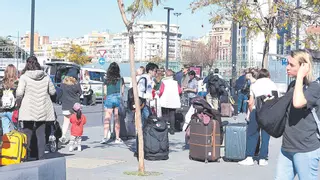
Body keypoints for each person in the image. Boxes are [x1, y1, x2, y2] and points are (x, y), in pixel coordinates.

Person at [275, 50, 320, 180]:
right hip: (287, 147)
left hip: (306, 149)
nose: (287, 67)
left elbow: (298, 103)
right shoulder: (293, 84)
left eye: (291, 64)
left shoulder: (314, 87)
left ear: (303, 67)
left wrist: (300, 76)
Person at [16, 56, 56, 160]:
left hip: (28, 107)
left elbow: (19, 93)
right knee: (41, 133)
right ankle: (41, 156)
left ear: (27, 64)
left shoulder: (24, 77)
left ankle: (26, 156)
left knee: (27, 131)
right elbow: (52, 92)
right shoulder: (45, 76)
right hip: (43, 106)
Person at [238, 69, 278, 166]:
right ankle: (263, 158)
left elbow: (251, 102)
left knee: (252, 134)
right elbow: (276, 99)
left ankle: (249, 157)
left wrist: (251, 112)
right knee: (265, 136)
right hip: (268, 112)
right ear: (268, 75)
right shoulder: (273, 84)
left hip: (256, 110)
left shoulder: (255, 84)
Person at [100, 62, 124, 144]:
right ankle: (117, 138)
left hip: (109, 98)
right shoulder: (121, 79)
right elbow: (122, 91)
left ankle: (105, 137)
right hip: (117, 98)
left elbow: (105, 92)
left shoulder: (106, 79)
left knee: (107, 118)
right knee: (116, 118)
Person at [60, 68, 82, 144]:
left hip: (65, 105)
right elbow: (80, 93)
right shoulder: (76, 84)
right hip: (74, 107)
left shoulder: (63, 84)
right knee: (74, 123)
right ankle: (73, 137)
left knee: (66, 121)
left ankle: (63, 136)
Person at [159, 69, 182, 135]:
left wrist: (159, 95)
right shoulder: (175, 82)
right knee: (172, 114)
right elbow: (180, 91)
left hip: (165, 100)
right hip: (173, 100)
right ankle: (172, 129)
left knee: (164, 114)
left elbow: (161, 91)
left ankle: (164, 128)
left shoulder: (163, 82)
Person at [0, 64, 19, 134]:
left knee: (5, 129)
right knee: (17, 129)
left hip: (2, 110)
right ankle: (16, 144)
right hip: (13, 110)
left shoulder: (2, 83)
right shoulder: (17, 83)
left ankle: (7, 144)